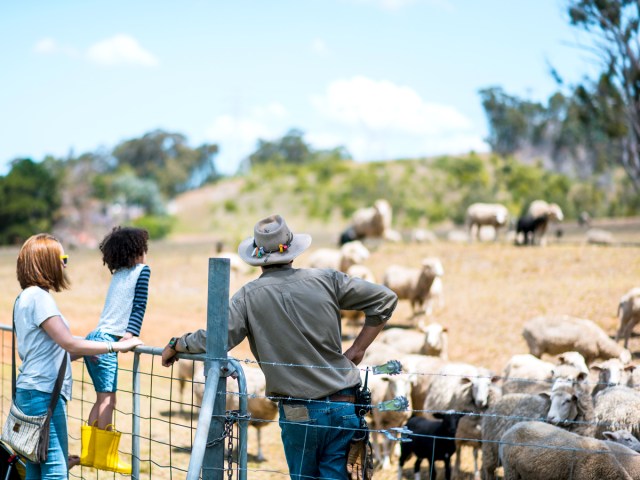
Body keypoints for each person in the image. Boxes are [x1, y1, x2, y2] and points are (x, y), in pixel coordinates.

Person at [161, 214, 398, 480]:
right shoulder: (327, 280)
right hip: (344, 404)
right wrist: (357, 349)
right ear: (292, 252)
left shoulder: (248, 297)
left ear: (257, 258)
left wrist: (178, 343)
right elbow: (385, 299)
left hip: (298, 413)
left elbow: (216, 338)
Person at [14, 233, 143, 480]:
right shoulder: (40, 299)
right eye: (62, 257)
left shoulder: (25, 297)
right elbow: (68, 342)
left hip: (30, 391)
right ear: (46, 261)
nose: (65, 264)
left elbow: (52, 350)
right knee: (55, 470)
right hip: (43, 395)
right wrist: (114, 348)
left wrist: (87, 351)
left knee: (35, 467)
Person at [82, 226, 150, 471]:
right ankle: (106, 456)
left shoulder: (118, 274)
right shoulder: (142, 271)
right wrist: (131, 335)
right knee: (109, 400)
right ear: (137, 251)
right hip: (107, 341)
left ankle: (90, 454)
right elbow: (139, 305)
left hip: (95, 337)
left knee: (101, 399)